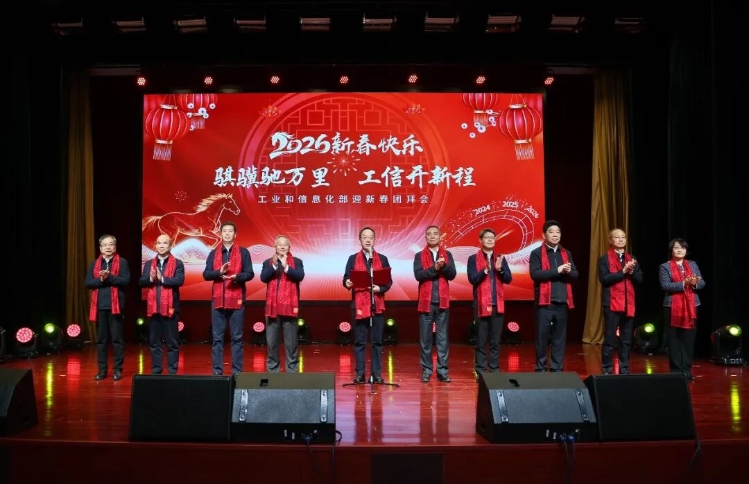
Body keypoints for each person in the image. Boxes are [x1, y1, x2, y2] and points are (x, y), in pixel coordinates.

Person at [203, 221, 254, 376]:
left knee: (237, 338)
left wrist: (236, 277)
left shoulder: (244, 252)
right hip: (217, 301)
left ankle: (237, 372)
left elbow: (250, 274)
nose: (227, 233)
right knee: (217, 338)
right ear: (221, 234)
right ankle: (217, 372)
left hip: (237, 300)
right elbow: (206, 274)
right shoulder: (213, 253)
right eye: (224, 231)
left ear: (235, 234)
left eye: (230, 231)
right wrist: (219, 272)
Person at [343, 227, 392, 384]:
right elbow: (346, 278)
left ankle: (377, 373)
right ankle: (360, 373)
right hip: (358, 305)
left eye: (371, 237)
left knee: (377, 341)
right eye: (365, 237)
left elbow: (388, 281)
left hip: (377, 304)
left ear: (374, 240)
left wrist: (380, 288)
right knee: (360, 341)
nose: (368, 239)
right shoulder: (352, 258)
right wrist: (347, 282)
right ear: (360, 240)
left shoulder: (382, 258)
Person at [529, 220, 578, 372]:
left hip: (562, 301)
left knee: (559, 338)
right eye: (551, 232)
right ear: (544, 235)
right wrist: (557, 270)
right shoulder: (536, 253)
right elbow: (535, 274)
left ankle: (557, 368)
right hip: (544, 302)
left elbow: (575, 274)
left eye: (558, 232)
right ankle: (541, 368)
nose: (555, 235)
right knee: (542, 337)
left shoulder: (566, 253)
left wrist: (568, 271)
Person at [467, 228, 513, 380]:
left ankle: (494, 370)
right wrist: (485, 270)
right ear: (480, 240)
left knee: (495, 341)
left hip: (497, 305)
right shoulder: (473, 259)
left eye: (492, 237)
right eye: (486, 237)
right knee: (481, 340)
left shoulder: (500, 258)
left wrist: (500, 270)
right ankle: (480, 371)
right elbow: (472, 279)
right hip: (480, 305)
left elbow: (508, 279)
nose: (489, 240)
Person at [413, 225, 457, 383]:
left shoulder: (447, 254)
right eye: (429, 234)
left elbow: (452, 274)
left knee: (442, 339)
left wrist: (443, 266)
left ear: (440, 237)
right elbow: (418, 275)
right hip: (426, 303)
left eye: (435, 234)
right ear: (425, 237)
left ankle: (442, 371)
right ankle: (426, 370)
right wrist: (434, 268)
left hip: (442, 303)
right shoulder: (419, 255)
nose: (432, 236)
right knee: (425, 340)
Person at [659, 238, 705, 381]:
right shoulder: (665, 266)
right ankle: (675, 372)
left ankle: (686, 370)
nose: (680, 250)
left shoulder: (692, 264)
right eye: (676, 247)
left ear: (686, 250)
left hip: (692, 305)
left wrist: (695, 283)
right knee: (674, 339)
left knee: (688, 339)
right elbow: (665, 285)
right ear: (671, 251)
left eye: (682, 248)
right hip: (672, 306)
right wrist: (684, 283)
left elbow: (702, 283)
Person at [598, 228, 643, 375]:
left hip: (628, 304)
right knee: (610, 338)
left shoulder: (631, 258)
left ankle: (624, 368)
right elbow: (604, 279)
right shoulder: (604, 259)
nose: (621, 239)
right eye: (617, 237)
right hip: (612, 303)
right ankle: (607, 369)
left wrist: (632, 271)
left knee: (626, 339)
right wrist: (622, 272)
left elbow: (640, 279)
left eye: (623, 237)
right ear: (610, 240)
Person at [85, 234, 130, 381]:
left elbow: (125, 281)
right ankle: (102, 370)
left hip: (116, 306)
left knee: (117, 340)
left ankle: (117, 370)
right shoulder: (94, 264)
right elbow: (88, 283)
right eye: (105, 245)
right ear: (100, 248)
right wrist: (101, 279)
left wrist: (109, 277)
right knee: (101, 341)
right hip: (100, 306)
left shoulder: (122, 262)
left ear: (115, 247)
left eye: (111, 244)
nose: (108, 247)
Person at [139, 234, 185, 375]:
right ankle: (156, 370)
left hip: (171, 309)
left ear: (170, 245)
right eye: (159, 243)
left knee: (172, 342)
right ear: (156, 245)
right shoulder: (149, 264)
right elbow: (142, 282)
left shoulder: (178, 263)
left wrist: (163, 279)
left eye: (165, 243)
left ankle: (172, 371)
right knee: (154, 342)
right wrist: (150, 278)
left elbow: (179, 280)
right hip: (154, 309)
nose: (161, 245)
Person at [260, 235, 305, 372]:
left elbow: (300, 276)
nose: (282, 246)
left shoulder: (297, 261)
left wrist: (286, 267)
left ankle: (292, 372)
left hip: (289, 308)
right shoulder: (268, 262)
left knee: (291, 344)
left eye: (285, 244)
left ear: (289, 247)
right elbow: (263, 277)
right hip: (272, 309)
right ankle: (273, 372)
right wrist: (274, 265)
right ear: (275, 247)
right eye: (279, 244)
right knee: (272, 343)